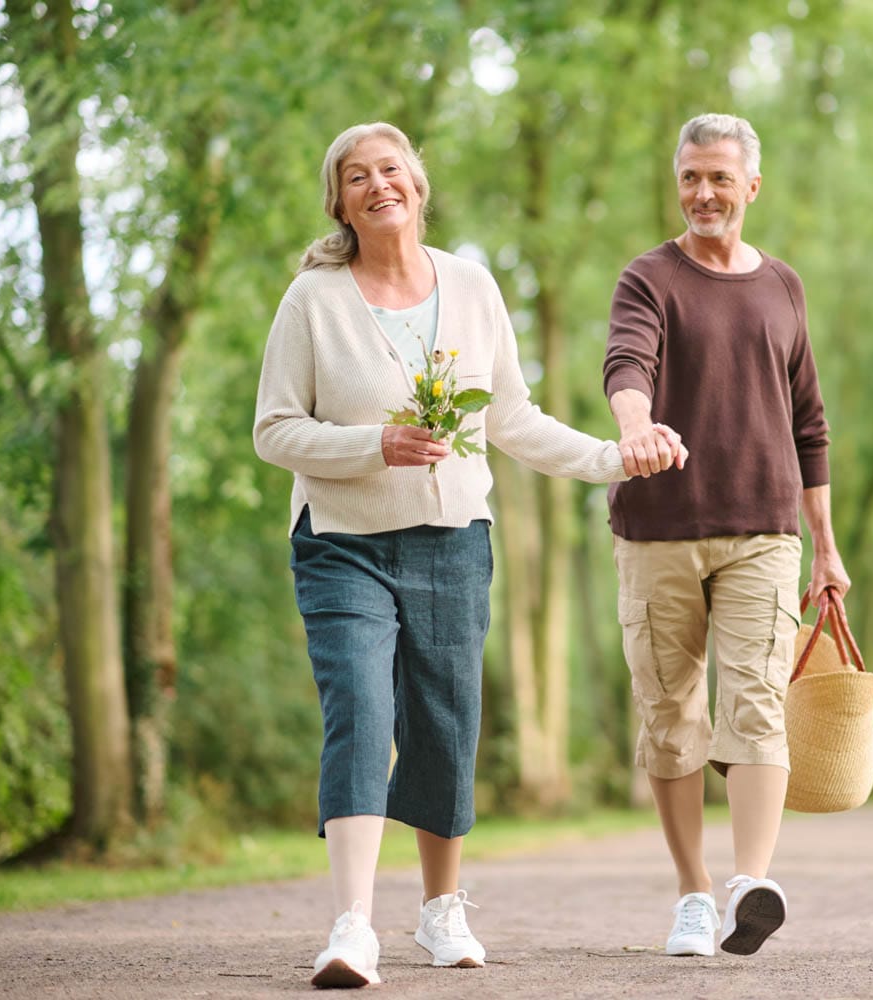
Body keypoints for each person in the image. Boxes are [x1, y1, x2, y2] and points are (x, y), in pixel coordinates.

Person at [254, 121, 685, 988]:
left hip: (453, 540)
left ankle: (440, 912)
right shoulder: (313, 299)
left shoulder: (472, 285)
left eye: (391, 170)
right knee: (362, 717)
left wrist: (612, 459)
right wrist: (374, 443)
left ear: (418, 182)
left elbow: (512, 420)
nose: (379, 185)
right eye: (357, 177)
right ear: (339, 202)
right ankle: (351, 926)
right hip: (342, 544)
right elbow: (274, 431)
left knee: (447, 726)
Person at [603, 113, 850, 959]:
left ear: (751, 186)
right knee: (672, 718)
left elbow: (809, 423)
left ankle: (750, 882)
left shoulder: (783, 284)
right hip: (660, 530)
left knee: (754, 704)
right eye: (689, 177)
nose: (703, 193)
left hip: (764, 530)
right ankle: (693, 894)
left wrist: (826, 544)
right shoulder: (648, 278)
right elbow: (626, 364)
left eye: (719, 177)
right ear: (678, 183)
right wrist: (633, 425)